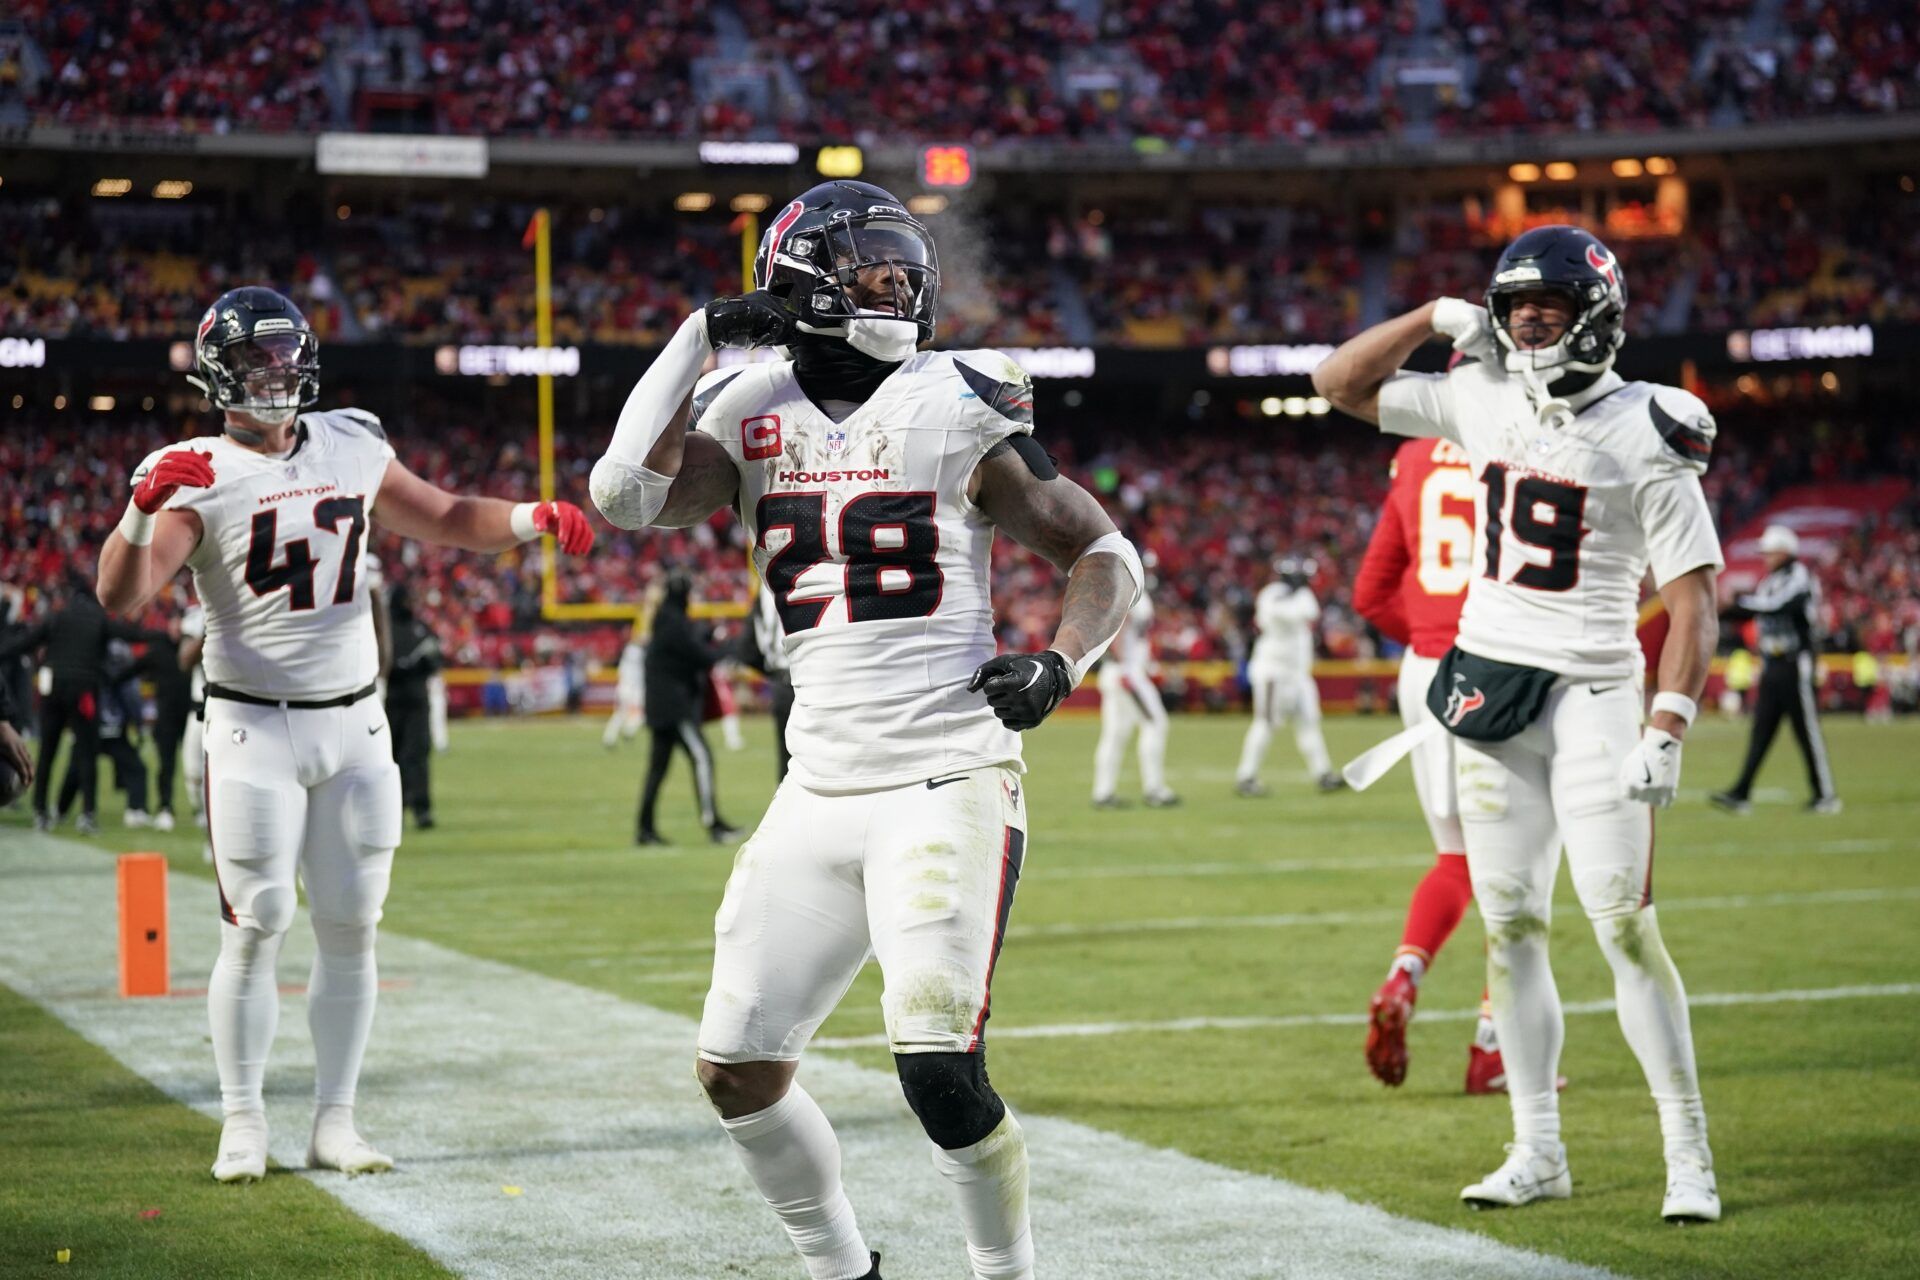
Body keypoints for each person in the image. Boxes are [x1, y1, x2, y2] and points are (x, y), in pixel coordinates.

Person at [590, 178, 1143, 1280]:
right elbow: (621, 493)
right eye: (872, 270)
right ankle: (842, 1267)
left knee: (939, 1066)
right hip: (818, 783)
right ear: (804, 288)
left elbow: (1103, 551)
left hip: (945, 769)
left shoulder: (955, 398)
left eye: (906, 267)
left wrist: (1060, 657)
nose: (901, 285)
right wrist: (698, 334)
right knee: (735, 1069)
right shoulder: (747, 403)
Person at [94, 285, 594, 1184]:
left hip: (358, 723)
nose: (277, 374)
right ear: (220, 373)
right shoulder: (194, 470)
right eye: (256, 361)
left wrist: (528, 519)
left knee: (352, 927)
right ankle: (242, 1121)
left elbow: (443, 516)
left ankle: (335, 1122)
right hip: (253, 725)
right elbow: (122, 596)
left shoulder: (351, 441)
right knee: (257, 924)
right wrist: (137, 511)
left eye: (285, 355)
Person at [1313, 224, 1723, 1222]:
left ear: (1598, 313)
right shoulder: (1483, 395)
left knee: (1626, 927)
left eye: (1547, 303)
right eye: (1514, 305)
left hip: (1593, 698)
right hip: (1491, 698)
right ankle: (1537, 1149)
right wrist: (1425, 314)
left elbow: (1695, 596)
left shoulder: (1650, 426)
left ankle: (1688, 1154)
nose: (1529, 319)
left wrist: (1667, 723)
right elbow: (1337, 381)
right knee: (1512, 928)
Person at [1351, 434, 1508, 1092]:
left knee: (1455, 857)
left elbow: (1369, 593)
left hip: (1426, 672)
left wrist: (1427, 637)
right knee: (1518, 872)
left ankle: (1403, 977)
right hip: (1500, 666)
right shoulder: (1521, 435)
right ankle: (1494, 1048)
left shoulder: (1415, 455)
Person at [0, 574, 168, 834]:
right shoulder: (97, 618)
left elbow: (25, 643)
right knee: (86, 753)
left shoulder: (57, 616)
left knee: (47, 753)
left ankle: (41, 811)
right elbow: (130, 634)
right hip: (84, 692)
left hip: (53, 688)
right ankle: (87, 815)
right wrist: (161, 635)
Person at [1711, 524, 1839, 814]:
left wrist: (1735, 604)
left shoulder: (1799, 577)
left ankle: (1826, 795)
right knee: (1761, 731)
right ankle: (1741, 792)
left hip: (1795, 664)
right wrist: (1725, 609)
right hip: (1772, 664)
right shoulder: (1769, 581)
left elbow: (1776, 605)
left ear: (1785, 551)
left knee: (1806, 731)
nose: (1766, 557)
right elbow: (1760, 607)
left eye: (1770, 552)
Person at [635, 572, 738, 845]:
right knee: (702, 758)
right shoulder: (675, 624)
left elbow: (689, 641)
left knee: (657, 770)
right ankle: (713, 823)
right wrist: (729, 647)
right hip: (674, 709)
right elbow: (700, 656)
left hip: (659, 707)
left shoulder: (665, 620)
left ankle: (644, 829)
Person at [1236, 556, 1342, 795]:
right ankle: (1246, 776)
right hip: (1274, 672)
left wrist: (1298, 595)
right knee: (1265, 723)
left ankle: (1322, 773)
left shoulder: (1301, 595)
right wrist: (1296, 596)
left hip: (1298, 673)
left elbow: (1310, 612)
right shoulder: (1273, 593)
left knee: (1309, 723)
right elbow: (1288, 614)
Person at [1091, 589, 1178, 808]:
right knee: (1155, 723)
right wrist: (1123, 664)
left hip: (1121, 670)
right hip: (1125, 673)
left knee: (1115, 734)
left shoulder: (1132, 590)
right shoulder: (1127, 589)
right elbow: (1116, 625)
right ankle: (1154, 789)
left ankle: (1103, 793)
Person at [383, 585, 442, 830]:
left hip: (417, 699)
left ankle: (421, 808)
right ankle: (392, 809)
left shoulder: (421, 628)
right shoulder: (385, 628)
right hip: (394, 698)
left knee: (417, 755)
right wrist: (398, 666)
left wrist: (421, 663)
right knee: (392, 756)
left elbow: (436, 660)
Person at [738, 583, 794, 780]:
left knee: (788, 765)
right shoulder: (810, 572)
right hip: (815, 679)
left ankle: (787, 810)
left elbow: (747, 649)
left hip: (781, 681)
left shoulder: (764, 588)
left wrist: (772, 674)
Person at [603, 618, 646, 749]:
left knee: (620, 713)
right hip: (633, 688)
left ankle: (609, 738)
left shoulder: (628, 650)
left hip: (624, 687)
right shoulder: (636, 650)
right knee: (641, 713)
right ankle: (629, 731)